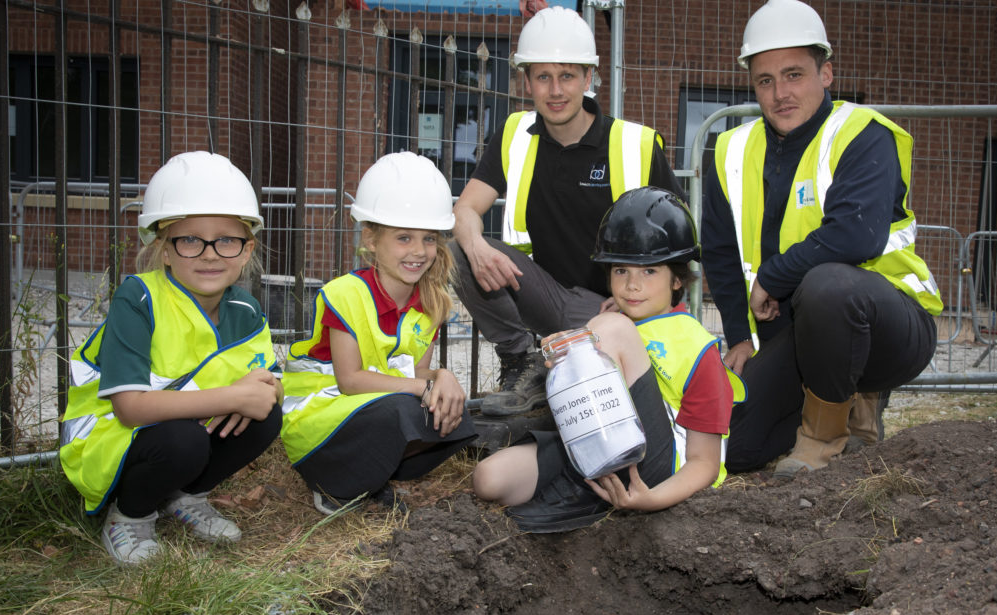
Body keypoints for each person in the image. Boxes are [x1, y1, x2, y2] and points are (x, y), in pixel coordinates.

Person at [699, 0, 942, 479]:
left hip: (886, 330)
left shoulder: (861, 135)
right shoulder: (730, 150)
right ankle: (832, 405)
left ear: (826, 73)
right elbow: (722, 254)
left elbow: (857, 235)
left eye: (794, 75)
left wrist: (774, 274)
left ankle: (826, 435)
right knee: (739, 448)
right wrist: (740, 338)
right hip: (792, 338)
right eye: (765, 80)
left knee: (829, 285)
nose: (779, 93)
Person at [451, 6, 686, 417]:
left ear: (588, 78)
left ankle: (554, 379)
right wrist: (474, 244)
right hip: (542, 295)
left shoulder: (635, 145)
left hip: (609, 307)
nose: (555, 90)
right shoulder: (514, 136)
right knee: (454, 252)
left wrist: (636, 300)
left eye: (567, 76)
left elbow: (680, 245)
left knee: (586, 401)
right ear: (527, 81)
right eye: (543, 77)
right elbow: (467, 207)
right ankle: (522, 361)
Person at [473, 187, 744, 533]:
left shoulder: (696, 347)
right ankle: (588, 485)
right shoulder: (616, 324)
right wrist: (561, 363)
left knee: (606, 330)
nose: (632, 286)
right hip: (595, 444)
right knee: (490, 479)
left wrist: (652, 500)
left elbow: (705, 464)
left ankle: (578, 496)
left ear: (677, 278)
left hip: (657, 472)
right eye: (620, 271)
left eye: (649, 272)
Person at [59, 151, 283, 566]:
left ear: (246, 250)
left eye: (227, 240)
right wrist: (233, 397)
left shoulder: (247, 308)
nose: (210, 254)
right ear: (164, 249)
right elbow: (129, 408)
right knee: (185, 439)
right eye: (191, 240)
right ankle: (129, 516)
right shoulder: (138, 298)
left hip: (175, 425)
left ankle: (185, 497)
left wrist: (265, 390)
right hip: (108, 436)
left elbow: (269, 378)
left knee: (265, 416)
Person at [281, 152, 478, 515]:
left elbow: (415, 372)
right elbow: (351, 381)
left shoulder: (430, 303)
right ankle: (332, 485)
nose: (419, 251)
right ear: (371, 240)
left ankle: (369, 477)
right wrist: (424, 388)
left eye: (429, 239)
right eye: (404, 238)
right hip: (318, 418)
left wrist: (441, 377)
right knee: (404, 409)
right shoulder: (346, 293)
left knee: (458, 413)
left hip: (368, 410)